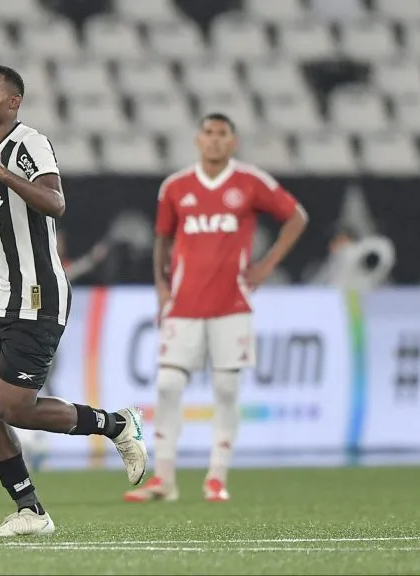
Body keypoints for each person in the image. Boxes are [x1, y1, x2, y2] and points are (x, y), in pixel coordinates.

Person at [0, 65, 148, 537]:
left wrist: (4, 173)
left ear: (13, 101)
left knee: (14, 407)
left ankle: (117, 424)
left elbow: (55, 203)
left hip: (37, 298)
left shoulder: (29, 143)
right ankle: (30, 510)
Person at [125, 114, 308, 503]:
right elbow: (162, 238)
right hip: (184, 303)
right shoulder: (176, 186)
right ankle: (164, 480)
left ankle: (216, 477)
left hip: (231, 304)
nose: (214, 140)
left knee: (226, 388)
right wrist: (161, 286)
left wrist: (268, 264)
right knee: (167, 385)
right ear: (198, 139)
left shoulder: (250, 181)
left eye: (222, 134)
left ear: (233, 142)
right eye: (208, 133)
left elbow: (296, 216)